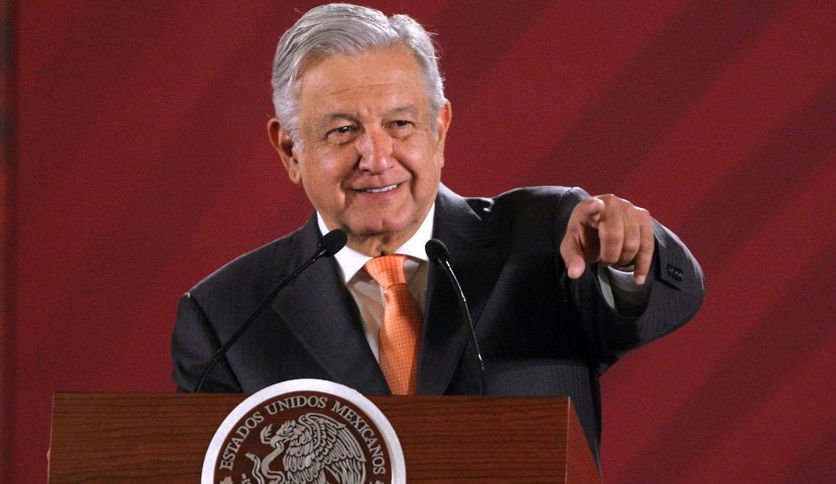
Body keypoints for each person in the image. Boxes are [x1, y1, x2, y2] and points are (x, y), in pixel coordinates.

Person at [171, 3, 704, 464]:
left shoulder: (542, 237)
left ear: (439, 129)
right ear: (290, 149)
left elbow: (671, 300)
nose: (376, 158)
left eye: (400, 124)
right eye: (343, 130)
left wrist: (625, 256)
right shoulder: (227, 315)